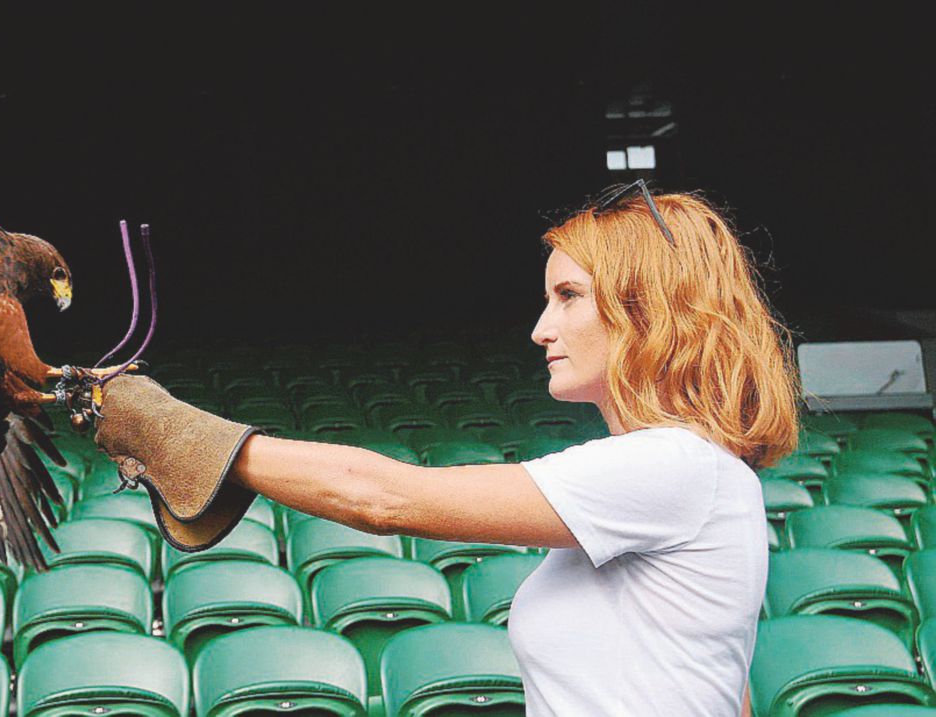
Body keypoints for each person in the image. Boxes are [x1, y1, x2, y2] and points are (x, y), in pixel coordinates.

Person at [88, 186, 800, 717]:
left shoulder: (671, 467)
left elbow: (385, 498)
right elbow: (726, 691)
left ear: (648, 308)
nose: (540, 328)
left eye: (568, 296)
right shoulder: (690, 476)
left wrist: (177, 431)